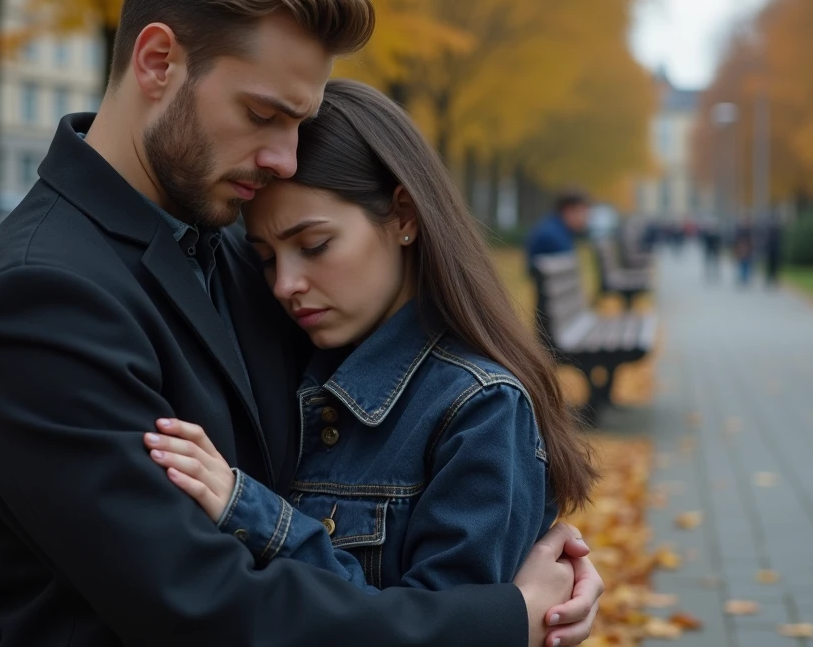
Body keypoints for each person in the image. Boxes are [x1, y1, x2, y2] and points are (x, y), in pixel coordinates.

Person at [0, 0, 603, 647]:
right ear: (158, 62)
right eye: (263, 115)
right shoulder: (41, 300)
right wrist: (504, 616)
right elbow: (208, 610)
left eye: (299, 122)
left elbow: (403, 436)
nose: (286, 159)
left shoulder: (228, 244)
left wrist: (539, 554)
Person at [143, 79, 599, 594]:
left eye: (314, 245)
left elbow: (445, 628)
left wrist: (253, 513)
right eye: (266, 258)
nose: (284, 284)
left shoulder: (480, 409)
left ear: (403, 216)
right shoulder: (292, 361)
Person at [526, 189, 590, 273]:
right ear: (568, 210)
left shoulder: (555, 228)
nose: (585, 219)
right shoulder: (554, 236)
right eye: (583, 213)